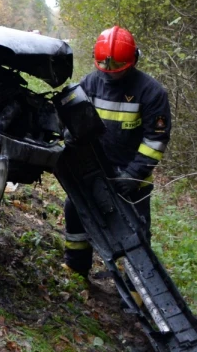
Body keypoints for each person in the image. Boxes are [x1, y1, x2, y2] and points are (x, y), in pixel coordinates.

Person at [63, 25, 171, 276]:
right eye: (106, 69)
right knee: (75, 211)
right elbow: (76, 119)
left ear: (134, 59)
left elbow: (156, 140)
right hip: (93, 170)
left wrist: (133, 176)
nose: (110, 75)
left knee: (135, 232)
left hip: (132, 178)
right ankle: (75, 266)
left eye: (116, 70)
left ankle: (136, 290)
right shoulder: (91, 82)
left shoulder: (151, 92)